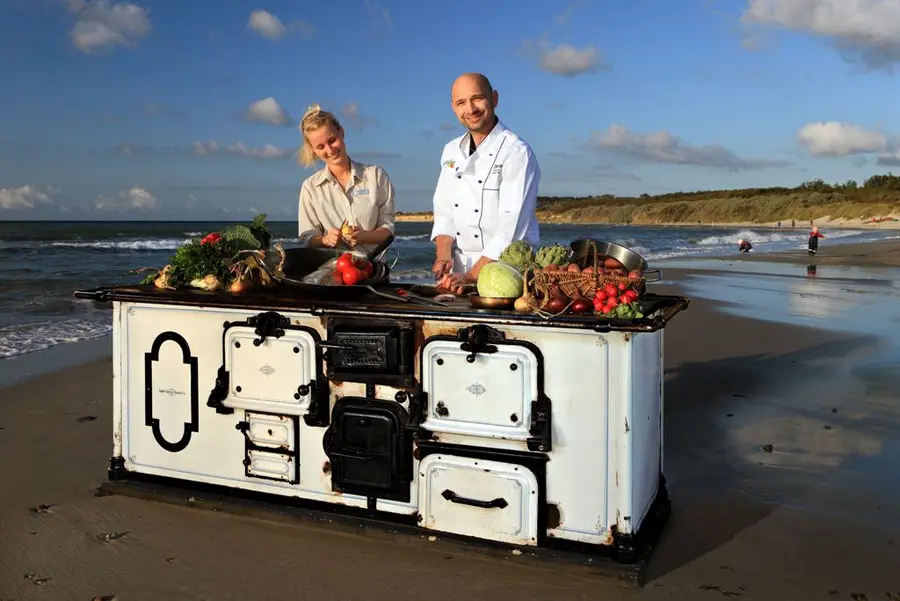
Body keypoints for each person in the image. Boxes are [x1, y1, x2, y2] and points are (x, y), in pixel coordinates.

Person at [429, 73, 541, 294]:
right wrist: (443, 254)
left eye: (477, 98)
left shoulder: (517, 152)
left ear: (495, 99)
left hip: (508, 272)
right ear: (454, 108)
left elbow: (512, 227)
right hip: (459, 274)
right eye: (461, 102)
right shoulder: (451, 150)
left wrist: (473, 276)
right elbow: (444, 210)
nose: (470, 109)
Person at [296, 104, 395, 257]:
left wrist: (364, 237)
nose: (330, 150)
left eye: (332, 140)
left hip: (373, 270)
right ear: (313, 149)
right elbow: (308, 238)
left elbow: (387, 230)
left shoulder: (376, 175)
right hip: (332, 273)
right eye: (321, 146)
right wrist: (325, 239)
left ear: (341, 132)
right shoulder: (310, 188)